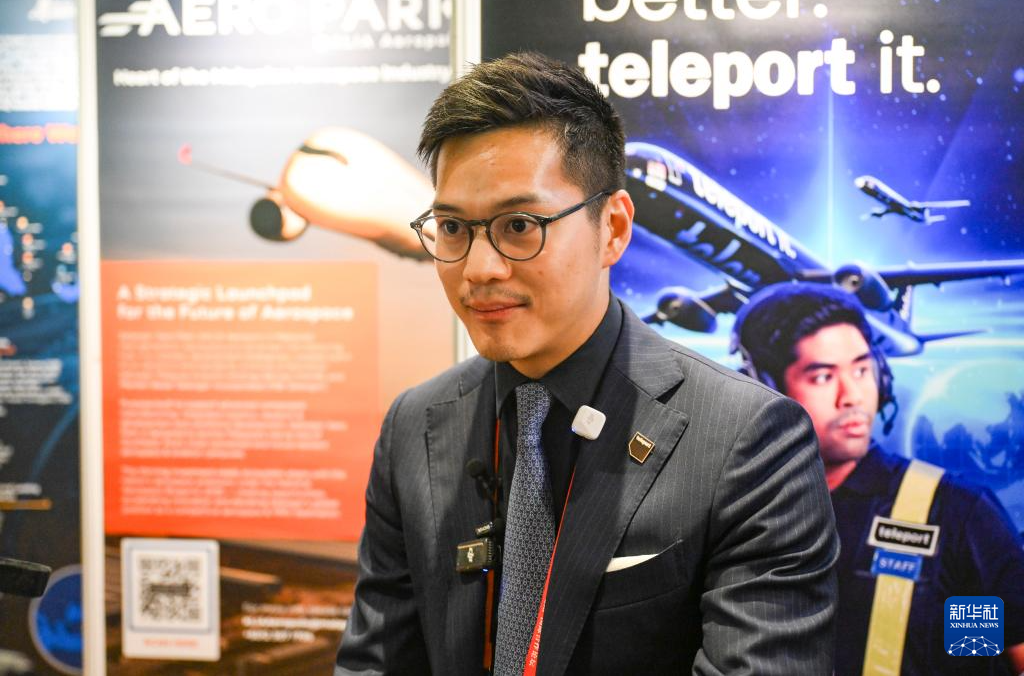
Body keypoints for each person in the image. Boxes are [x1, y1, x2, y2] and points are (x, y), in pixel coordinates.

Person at [335, 52, 839, 676]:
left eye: (520, 225)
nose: (479, 269)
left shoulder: (748, 440)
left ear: (614, 229)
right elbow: (376, 661)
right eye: (453, 228)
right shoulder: (416, 426)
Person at [732, 282, 1024, 676]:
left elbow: (995, 656)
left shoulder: (954, 515)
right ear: (763, 389)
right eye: (823, 377)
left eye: (861, 369)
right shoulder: (731, 513)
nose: (852, 396)